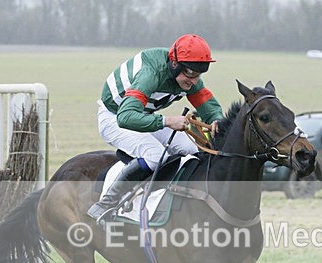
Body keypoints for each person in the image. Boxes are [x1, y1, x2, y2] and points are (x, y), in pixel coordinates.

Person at [88, 34, 225, 225]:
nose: (194, 81)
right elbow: (125, 117)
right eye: (191, 74)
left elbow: (207, 104)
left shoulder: (187, 73)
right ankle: (106, 204)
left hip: (142, 114)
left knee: (196, 150)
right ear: (175, 64)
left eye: (199, 75)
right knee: (154, 155)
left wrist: (217, 120)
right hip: (114, 117)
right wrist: (167, 121)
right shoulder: (151, 74)